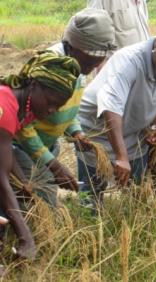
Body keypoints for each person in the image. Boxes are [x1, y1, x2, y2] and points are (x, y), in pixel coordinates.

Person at [77, 13, 156, 209]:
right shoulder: (129, 61)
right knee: (92, 188)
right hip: (98, 129)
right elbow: (111, 107)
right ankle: (90, 223)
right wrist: (121, 156)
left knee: (138, 189)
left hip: (132, 130)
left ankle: (134, 220)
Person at [14, 8, 116, 206]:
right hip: (23, 149)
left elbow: (68, 107)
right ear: (71, 46)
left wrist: (76, 132)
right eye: (88, 63)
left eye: (95, 63)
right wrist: (53, 165)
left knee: (38, 201)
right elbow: (22, 121)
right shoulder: (51, 67)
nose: (90, 68)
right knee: (38, 205)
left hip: (47, 148)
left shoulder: (76, 65)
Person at [0, 51, 80, 260]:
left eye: (59, 106)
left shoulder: (20, 108)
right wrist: (26, 238)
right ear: (33, 85)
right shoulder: (4, 107)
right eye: (50, 101)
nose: (52, 110)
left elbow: (6, 159)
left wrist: (23, 181)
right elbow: (1, 176)